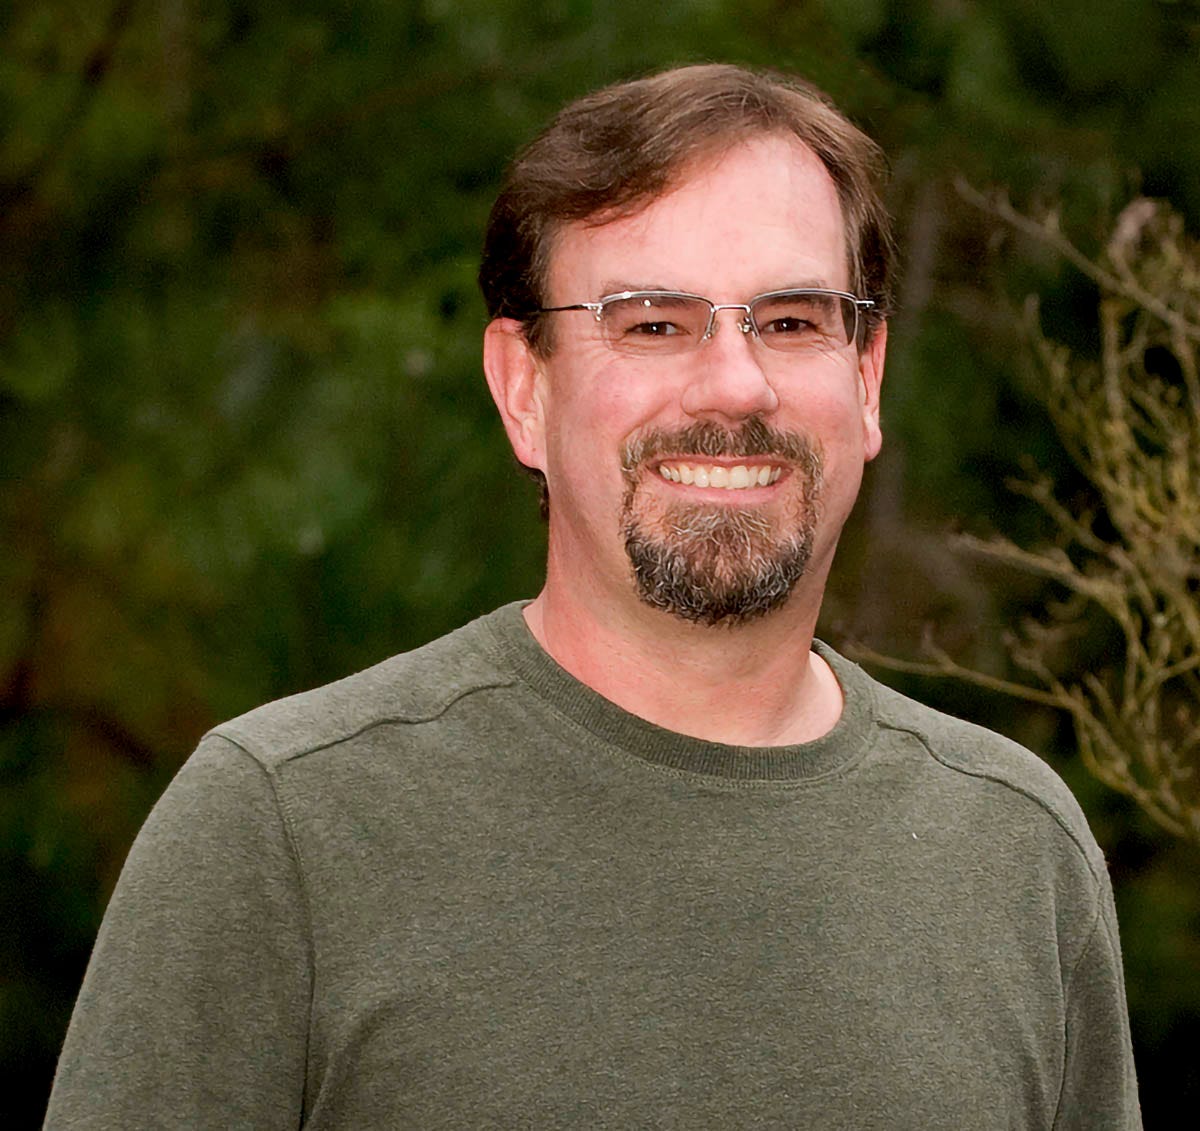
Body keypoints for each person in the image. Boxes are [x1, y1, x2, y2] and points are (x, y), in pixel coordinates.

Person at [45, 64, 1141, 1129]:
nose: (735, 385)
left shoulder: (1016, 854)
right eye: (653, 322)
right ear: (524, 387)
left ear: (866, 379)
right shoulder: (283, 830)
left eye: (791, 321)